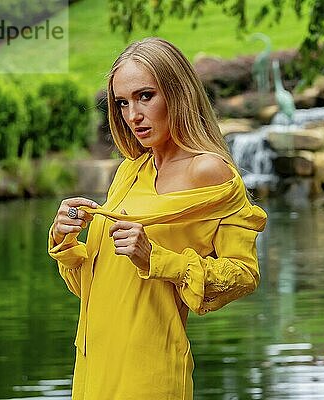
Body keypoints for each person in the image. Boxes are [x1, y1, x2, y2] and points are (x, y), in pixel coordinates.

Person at [48, 37, 267, 399]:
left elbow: (243, 276)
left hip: (150, 370)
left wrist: (157, 260)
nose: (133, 115)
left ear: (177, 94)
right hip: (94, 363)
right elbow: (93, 289)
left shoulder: (208, 170)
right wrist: (66, 240)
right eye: (122, 102)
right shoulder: (130, 170)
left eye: (145, 96)